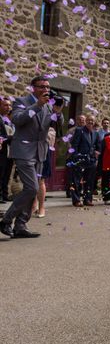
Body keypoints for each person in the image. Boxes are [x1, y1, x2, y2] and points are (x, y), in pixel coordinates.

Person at [0, 76, 63, 239]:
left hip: (40, 151)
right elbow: (18, 120)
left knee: (32, 190)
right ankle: (6, 220)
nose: (46, 90)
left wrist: (57, 111)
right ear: (33, 87)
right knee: (32, 187)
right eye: (42, 86)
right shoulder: (22, 101)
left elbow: (56, 124)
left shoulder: (48, 106)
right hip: (23, 151)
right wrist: (38, 105)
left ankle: (21, 225)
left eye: (48, 87)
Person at [69, 114, 99, 207]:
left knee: (89, 181)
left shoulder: (95, 133)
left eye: (92, 121)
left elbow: (98, 146)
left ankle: (88, 199)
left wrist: (97, 152)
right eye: (89, 120)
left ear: (94, 122)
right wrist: (76, 158)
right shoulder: (79, 130)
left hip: (91, 161)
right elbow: (74, 145)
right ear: (86, 121)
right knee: (76, 181)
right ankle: (76, 200)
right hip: (80, 160)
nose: (91, 122)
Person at [32, 127, 56, 218]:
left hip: (43, 156)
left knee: (41, 181)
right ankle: (34, 205)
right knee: (32, 180)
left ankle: (41, 207)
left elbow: (49, 140)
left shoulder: (50, 128)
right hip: (31, 154)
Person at [0, 97, 15, 204]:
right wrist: (12, 138)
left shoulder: (6, 120)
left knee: (5, 174)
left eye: (9, 105)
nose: (8, 108)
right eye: (5, 105)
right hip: (1, 152)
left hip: (8, 152)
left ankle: (3, 195)